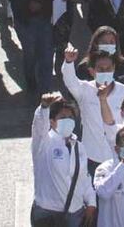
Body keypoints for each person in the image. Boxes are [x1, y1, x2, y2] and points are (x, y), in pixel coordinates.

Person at [61, 46, 124, 175]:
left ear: (114, 68)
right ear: (92, 71)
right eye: (100, 69)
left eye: (108, 69)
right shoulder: (84, 90)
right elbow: (70, 81)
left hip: (118, 155)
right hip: (91, 155)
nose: (105, 72)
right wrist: (68, 62)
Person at [30, 94, 97, 226]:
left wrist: (91, 203)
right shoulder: (43, 143)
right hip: (49, 214)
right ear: (52, 121)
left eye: (70, 117)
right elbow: (38, 127)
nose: (68, 120)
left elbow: (84, 178)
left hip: (75, 212)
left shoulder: (78, 146)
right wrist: (44, 107)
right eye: (62, 117)